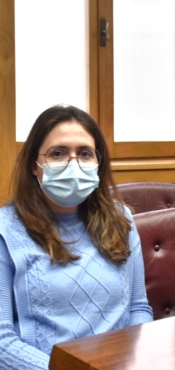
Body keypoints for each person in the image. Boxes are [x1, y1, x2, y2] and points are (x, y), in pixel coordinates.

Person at [0, 105, 153, 369]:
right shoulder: (6, 230)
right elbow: (3, 343)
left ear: (98, 163)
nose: (74, 163)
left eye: (84, 153)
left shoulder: (121, 219)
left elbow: (138, 309)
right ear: (34, 166)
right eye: (57, 153)